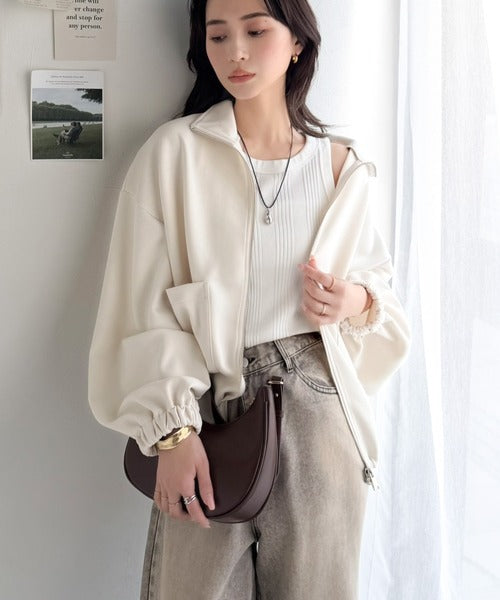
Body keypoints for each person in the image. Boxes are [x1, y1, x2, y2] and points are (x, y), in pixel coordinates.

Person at [88, 0, 411, 598]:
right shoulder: (175, 152)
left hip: (318, 408)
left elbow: (383, 303)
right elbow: (140, 303)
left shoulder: (340, 167)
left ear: (298, 43)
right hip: (205, 407)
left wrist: (354, 301)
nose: (235, 52)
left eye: (256, 31)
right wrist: (172, 432)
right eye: (218, 36)